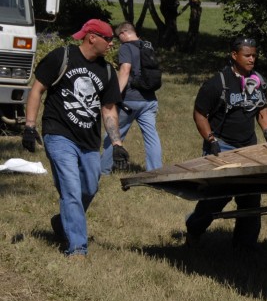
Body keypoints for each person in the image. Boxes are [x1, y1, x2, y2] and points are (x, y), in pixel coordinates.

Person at [21, 19, 129, 258]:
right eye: (108, 38)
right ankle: (77, 249)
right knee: (71, 189)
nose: (112, 43)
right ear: (92, 37)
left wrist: (117, 143)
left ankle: (63, 223)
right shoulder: (62, 57)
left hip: (88, 141)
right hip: (58, 134)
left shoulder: (107, 70)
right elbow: (37, 89)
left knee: (89, 187)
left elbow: (109, 108)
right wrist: (29, 126)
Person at [185, 37, 267, 250]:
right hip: (223, 146)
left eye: (254, 55)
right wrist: (211, 140)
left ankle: (244, 248)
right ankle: (194, 230)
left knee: (250, 198)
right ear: (234, 55)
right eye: (247, 55)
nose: (252, 59)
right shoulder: (217, 83)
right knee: (217, 198)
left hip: (250, 147)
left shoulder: (258, 79)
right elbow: (200, 114)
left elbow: (261, 105)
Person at [100, 22, 162, 174]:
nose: (116, 40)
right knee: (151, 137)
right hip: (149, 100)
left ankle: (103, 170)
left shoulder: (126, 47)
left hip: (130, 100)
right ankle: (155, 171)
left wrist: (116, 94)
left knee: (113, 132)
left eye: (117, 36)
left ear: (123, 33)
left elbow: (125, 70)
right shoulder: (147, 46)